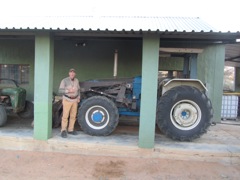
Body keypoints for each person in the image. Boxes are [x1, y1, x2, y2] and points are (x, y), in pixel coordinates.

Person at [58, 68, 80, 138]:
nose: (72, 73)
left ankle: (70, 129)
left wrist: (78, 97)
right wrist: (68, 91)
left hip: (75, 100)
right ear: (69, 73)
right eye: (71, 72)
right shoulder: (64, 80)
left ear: (75, 74)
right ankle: (63, 130)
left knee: (73, 116)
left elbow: (79, 90)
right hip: (67, 100)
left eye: (73, 72)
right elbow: (60, 91)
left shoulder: (76, 80)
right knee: (65, 116)